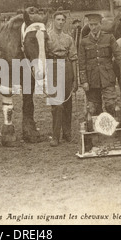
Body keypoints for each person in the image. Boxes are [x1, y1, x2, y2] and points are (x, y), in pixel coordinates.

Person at [78, 13, 121, 120]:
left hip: (107, 77)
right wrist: (84, 81)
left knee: (112, 105)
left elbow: (119, 56)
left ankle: (114, 131)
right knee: (93, 108)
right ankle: (98, 133)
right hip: (92, 80)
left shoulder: (109, 38)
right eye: (91, 25)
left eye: (96, 24)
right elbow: (82, 63)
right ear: (88, 25)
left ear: (101, 24)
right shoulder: (84, 41)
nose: (94, 27)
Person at [47, 12, 78, 147]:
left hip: (66, 67)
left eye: (62, 20)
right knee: (56, 104)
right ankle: (55, 135)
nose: (60, 22)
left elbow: (74, 58)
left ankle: (67, 133)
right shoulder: (46, 37)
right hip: (52, 66)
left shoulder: (69, 38)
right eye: (58, 19)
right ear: (53, 20)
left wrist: (75, 78)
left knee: (67, 101)